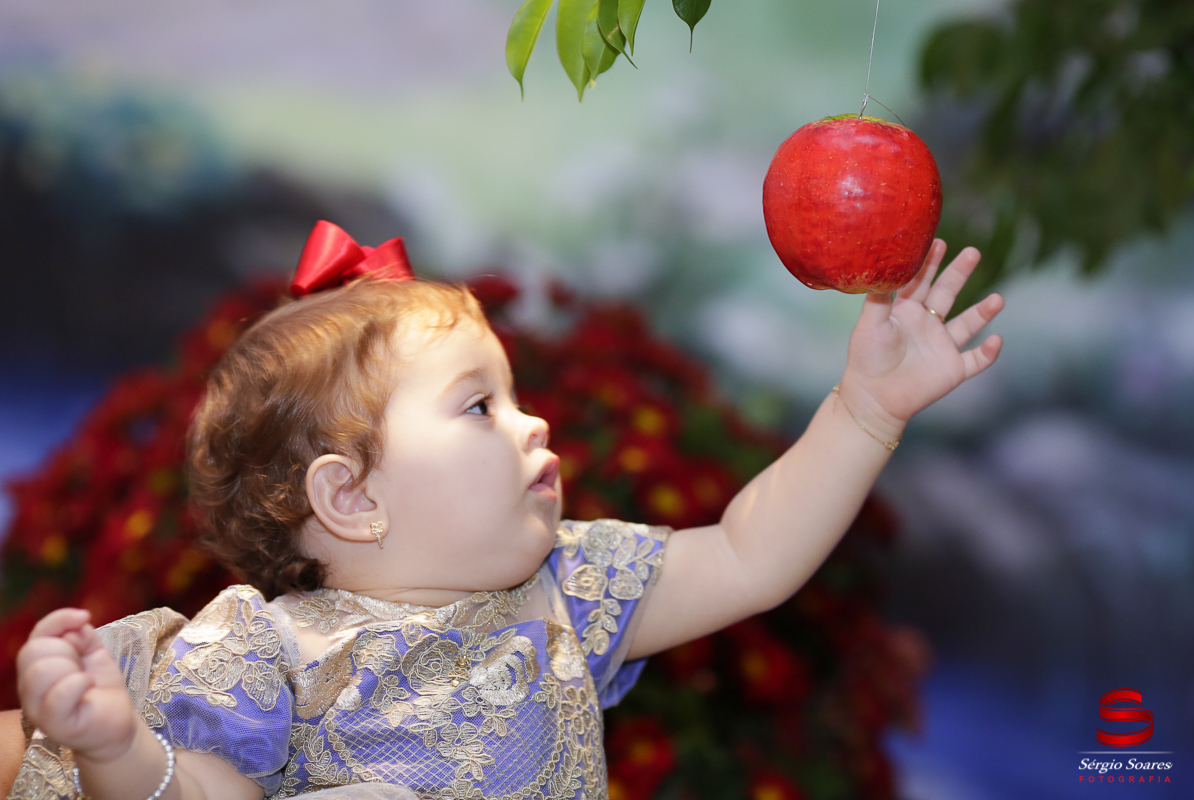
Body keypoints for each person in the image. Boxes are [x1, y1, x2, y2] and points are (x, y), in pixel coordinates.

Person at [12, 221, 1004, 800]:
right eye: (480, 406)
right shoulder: (263, 649)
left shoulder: (567, 588)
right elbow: (205, 789)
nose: (534, 423)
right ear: (351, 497)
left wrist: (865, 410)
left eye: (514, 394)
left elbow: (752, 553)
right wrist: (123, 753)